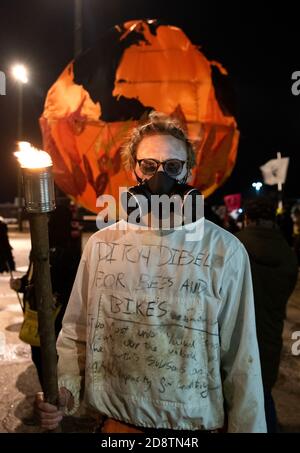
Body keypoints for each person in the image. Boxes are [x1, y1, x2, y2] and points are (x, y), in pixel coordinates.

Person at [35, 112, 267, 433]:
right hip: (116, 426)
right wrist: (64, 392)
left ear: (188, 171)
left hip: (191, 429)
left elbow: (241, 358)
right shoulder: (102, 245)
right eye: (149, 165)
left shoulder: (224, 251)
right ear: (134, 169)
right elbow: (76, 334)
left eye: (173, 167)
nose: (161, 176)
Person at [236, 197, 298, 432]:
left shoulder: (235, 246)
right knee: (262, 396)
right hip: (269, 338)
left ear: (247, 218)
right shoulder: (287, 253)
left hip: (236, 339)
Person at [10, 201, 82, 389]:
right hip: (35, 311)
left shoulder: (69, 251)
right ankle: (49, 390)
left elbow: (74, 285)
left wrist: (57, 296)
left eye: (49, 217)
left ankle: (56, 395)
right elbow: (33, 275)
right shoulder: (39, 245)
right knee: (37, 354)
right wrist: (21, 283)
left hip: (57, 315)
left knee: (53, 356)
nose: (45, 221)